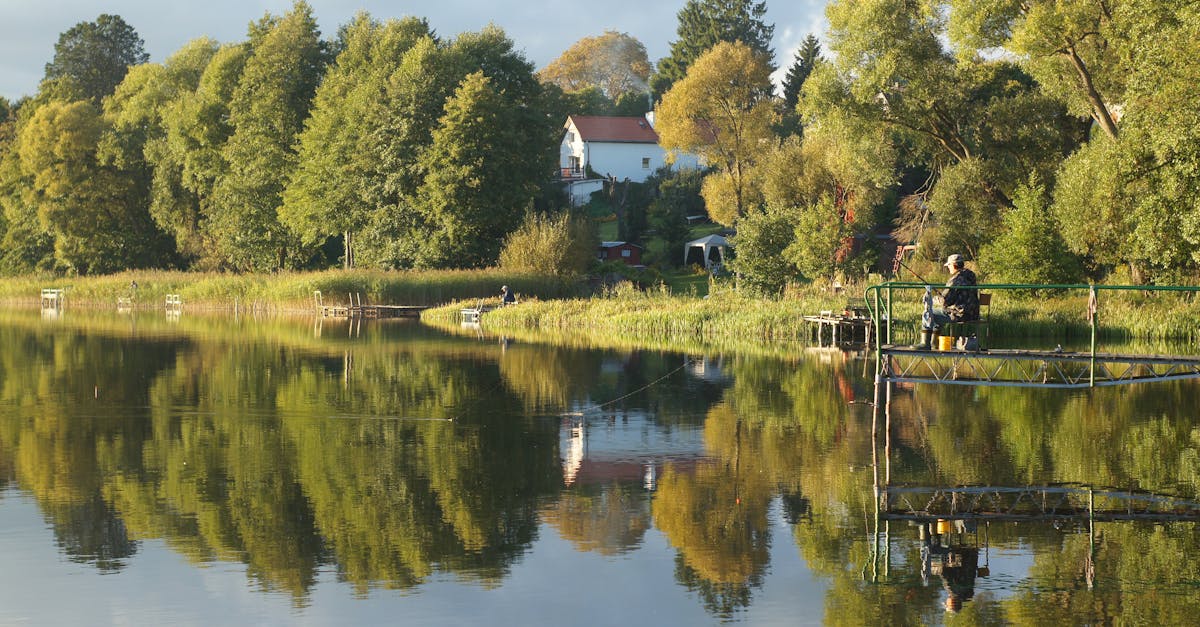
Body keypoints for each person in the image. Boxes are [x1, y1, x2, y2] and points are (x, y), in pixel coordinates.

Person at [915, 254, 979, 349]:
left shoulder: (955, 279)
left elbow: (945, 301)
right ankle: (934, 343)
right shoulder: (970, 275)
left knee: (928, 313)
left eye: (949, 265)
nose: (948, 268)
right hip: (973, 313)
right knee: (937, 313)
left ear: (954, 265)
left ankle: (925, 343)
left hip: (959, 314)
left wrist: (934, 299)